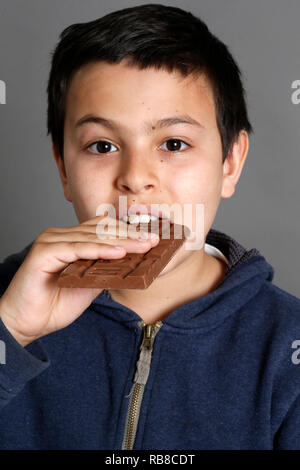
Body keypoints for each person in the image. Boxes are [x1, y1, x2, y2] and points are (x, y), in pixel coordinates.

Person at [0, 3, 299, 450]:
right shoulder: (7, 303)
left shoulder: (287, 346)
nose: (136, 177)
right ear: (63, 169)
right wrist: (11, 332)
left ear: (230, 163)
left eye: (174, 143)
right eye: (102, 145)